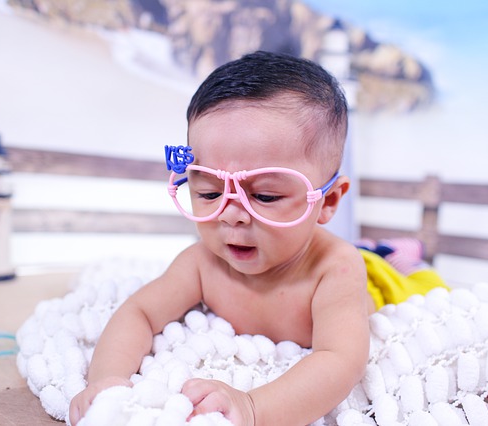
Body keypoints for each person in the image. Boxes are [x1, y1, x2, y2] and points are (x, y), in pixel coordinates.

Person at [69, 50, 371, 425]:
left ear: (327, 201)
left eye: (264, 196)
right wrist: (106, 383)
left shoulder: (334, 269)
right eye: (210, 193)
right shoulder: (202, 262)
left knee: (399, 271)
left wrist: (252, 406)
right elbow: (139, 313)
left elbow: (341, 359)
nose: (231, 215)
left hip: (372, 271)